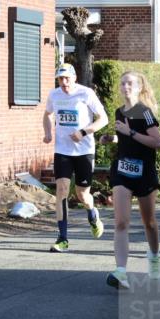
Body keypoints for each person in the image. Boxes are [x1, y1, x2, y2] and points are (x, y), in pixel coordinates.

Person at [106, 71, 160, 289]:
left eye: (130, 83)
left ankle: (155, 257)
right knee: (121, 222)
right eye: (122, 83)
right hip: (122, 170)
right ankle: (121, 271)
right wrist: (110, 138)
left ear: (139, 87)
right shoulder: (118, 112)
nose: (125, 86)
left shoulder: (145, 112)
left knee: (149, 222)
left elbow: (156, 141)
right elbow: (123, 138)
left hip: (144, 172)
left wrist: (130, 133)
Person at [43, 64, 108, 252]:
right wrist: (48, 132)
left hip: (84, 151)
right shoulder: (54, 95)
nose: (63, 83)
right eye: (60, 79)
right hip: (62, 150)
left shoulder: (86, 93)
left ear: (74, 78)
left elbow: (103, 119)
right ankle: (62, 238)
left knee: (82, 195)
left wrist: (84, 132)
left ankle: (92, 214)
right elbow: (47, 114)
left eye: (67, 79)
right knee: (62, 190)